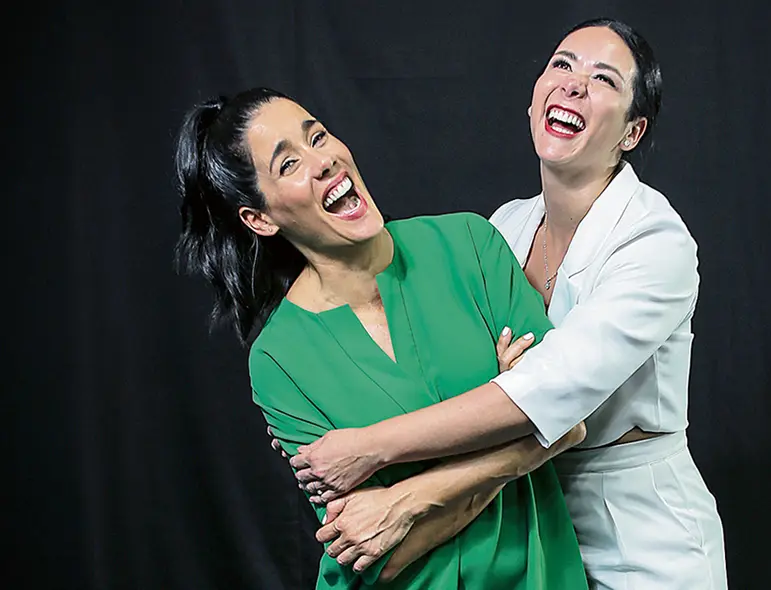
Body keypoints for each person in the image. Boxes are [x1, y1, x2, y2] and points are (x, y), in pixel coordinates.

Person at [286, 18, 728, 589]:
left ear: (632, 131)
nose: (572, 85)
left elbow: (552, 395)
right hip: (526, 522)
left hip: (640, 533)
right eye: (561, 65)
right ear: (533, 98)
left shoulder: (656, 242)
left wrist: (368, 449)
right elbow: (447, 380)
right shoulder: (503, 228)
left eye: (603, 80)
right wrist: (317, 410)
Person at [174, 87, 590, 588]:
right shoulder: (278, 361)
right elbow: (376, 554)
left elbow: (568, 419)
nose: (323, 160)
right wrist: (511, 420)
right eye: (288, 165)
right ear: (259, 218)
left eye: (318, 136)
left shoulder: (469, 245)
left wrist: (404, 498)